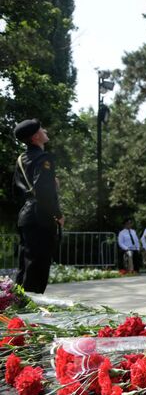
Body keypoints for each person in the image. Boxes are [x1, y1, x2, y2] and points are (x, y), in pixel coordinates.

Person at [13, 119, 63, 293]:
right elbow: (43, 190)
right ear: (36, 137)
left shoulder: (21, 159)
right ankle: (29, 313)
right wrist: (57, 214)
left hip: (26, 216)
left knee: (26, 265)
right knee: (38, 266)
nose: (45, 131)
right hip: (41, 216)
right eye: (42, 129)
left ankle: (18, 306)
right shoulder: (43, 158)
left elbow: (17, 191)